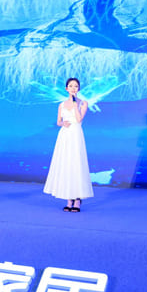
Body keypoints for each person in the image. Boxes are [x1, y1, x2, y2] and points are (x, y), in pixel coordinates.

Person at [43, 78, 94, 212]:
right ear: (66, 89)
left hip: (76, 135)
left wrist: (75, 105)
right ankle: (68, 198)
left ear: (79, 89)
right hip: (64, 135)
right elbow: (58, 121)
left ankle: (77, 199)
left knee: (76, 164)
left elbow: (79, 119)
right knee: (66, 164)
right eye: (70, 86)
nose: (73, 88)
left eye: (76, 86)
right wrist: (62, 123)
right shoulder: (61, 105)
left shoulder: (83, 103)